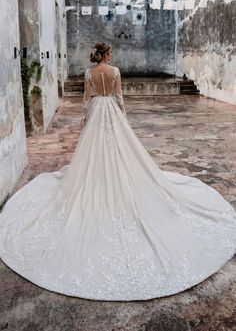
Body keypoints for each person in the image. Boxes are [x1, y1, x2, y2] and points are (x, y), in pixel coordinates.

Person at [0, 42, 236, 302]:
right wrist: (123, 118)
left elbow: (86, 100)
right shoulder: (115, 71)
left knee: (93, 152)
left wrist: (84, 122)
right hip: (111, 112)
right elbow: (120, 97)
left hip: (97, 113)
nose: (111, 55)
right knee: (121, 152)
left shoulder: (90, 74)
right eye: (110, 52)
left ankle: (95, 178)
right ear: (107, 54)